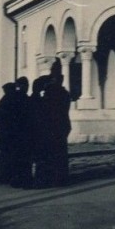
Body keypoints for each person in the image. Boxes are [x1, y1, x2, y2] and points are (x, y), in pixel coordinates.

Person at [43, 58, 71, 187]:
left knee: (52, 153)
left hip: (52, 127)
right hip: (61, 126)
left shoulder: (51, 92)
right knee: (60, 153)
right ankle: (61, 177)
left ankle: (53, 177)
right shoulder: (64, 93)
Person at [0, 82, 17, 183]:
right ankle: (6, 176)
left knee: (6, 155)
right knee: (8, 155)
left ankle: (5, 176)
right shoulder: (8, 100)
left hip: (5, 133)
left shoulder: (5, 100)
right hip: (8, 133)